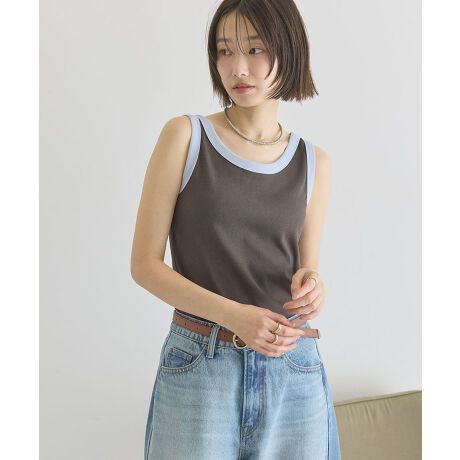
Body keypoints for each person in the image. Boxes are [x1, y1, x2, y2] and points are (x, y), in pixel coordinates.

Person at [131, 0, 341, 458]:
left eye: (255, 49)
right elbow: (145, 266)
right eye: (225, 51)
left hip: (294, 368)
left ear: (288, 50)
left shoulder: (314, 162)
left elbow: (305, 270)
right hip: (201, 364)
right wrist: (234, 316)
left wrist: (313, 286)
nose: (237, 68)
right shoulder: (185, 137)